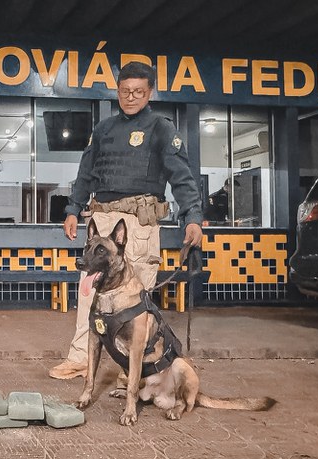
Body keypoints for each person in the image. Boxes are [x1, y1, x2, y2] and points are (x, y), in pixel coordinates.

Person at [48, 61, 204, 381]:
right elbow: (86, 173)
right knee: (91, 292)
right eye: (125, 91)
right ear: (117, 90)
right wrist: (73, 209)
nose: (130, 97)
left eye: (138, 92)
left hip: (140, 224)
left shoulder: (162, 129)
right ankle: (80, 357)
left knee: (137, 303)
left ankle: (134, 367)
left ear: (150, 93)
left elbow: (183, 178)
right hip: (103, 223)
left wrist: (193, 217)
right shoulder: (104, 129)